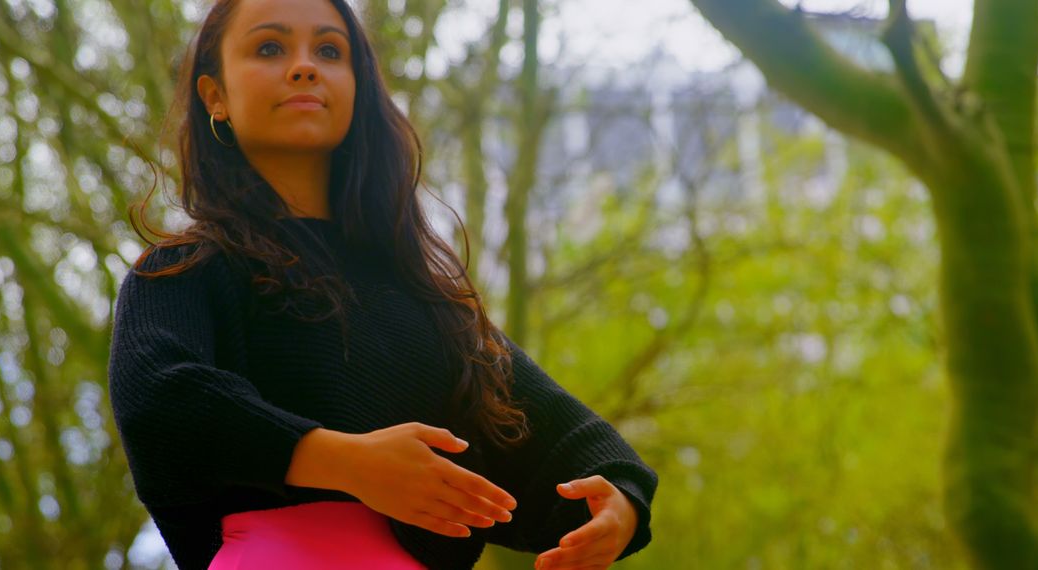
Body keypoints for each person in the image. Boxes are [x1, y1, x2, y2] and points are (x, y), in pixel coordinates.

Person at [106, 0, 658, 568]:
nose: (304, 66)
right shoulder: (182, 270)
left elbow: (556, 437)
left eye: (328, 50)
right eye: (270, 47)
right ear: (214, 96)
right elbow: (161, 400)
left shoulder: (428, 302)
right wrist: (344, 462)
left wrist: (620, 502)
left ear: (358, 89)